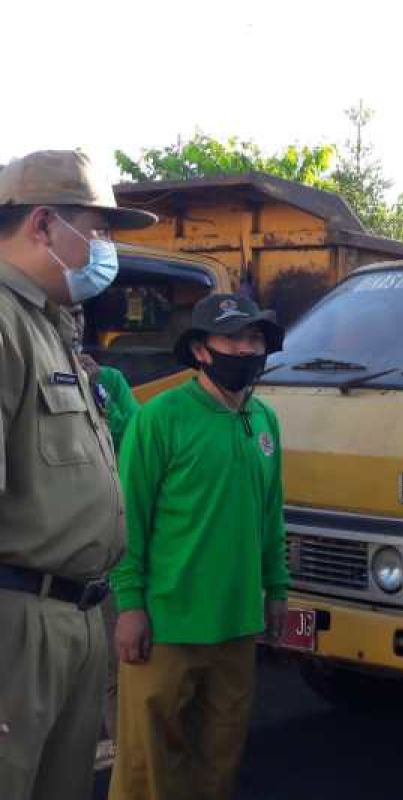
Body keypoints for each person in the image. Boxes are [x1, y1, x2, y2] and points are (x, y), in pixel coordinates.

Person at [0, 149, 157, 800]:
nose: (106, 247)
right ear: (42, 224)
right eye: (97, 231)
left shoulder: (51, 326)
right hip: (18, 629)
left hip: (73, 616)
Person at [107, 293, 289, 800]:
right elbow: (128, 519)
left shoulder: (264, 422)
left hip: (237, 625)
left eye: (254, 338)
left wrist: (277, 588)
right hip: (166, 625)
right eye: (232, 338)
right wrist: (129, 606)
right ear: (202, 351)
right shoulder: (159, 419)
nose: (246, 348)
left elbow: (270, 514)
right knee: (148, 770)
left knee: (218, 764)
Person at [67, 304, 139, 770]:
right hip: (54, 551)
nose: (72, 322)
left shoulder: (108, 380)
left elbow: (135, 433)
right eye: (65, 313)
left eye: (78, 314)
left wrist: (101, 400)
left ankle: (125, 758)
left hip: (104, 546)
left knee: (115, 663)